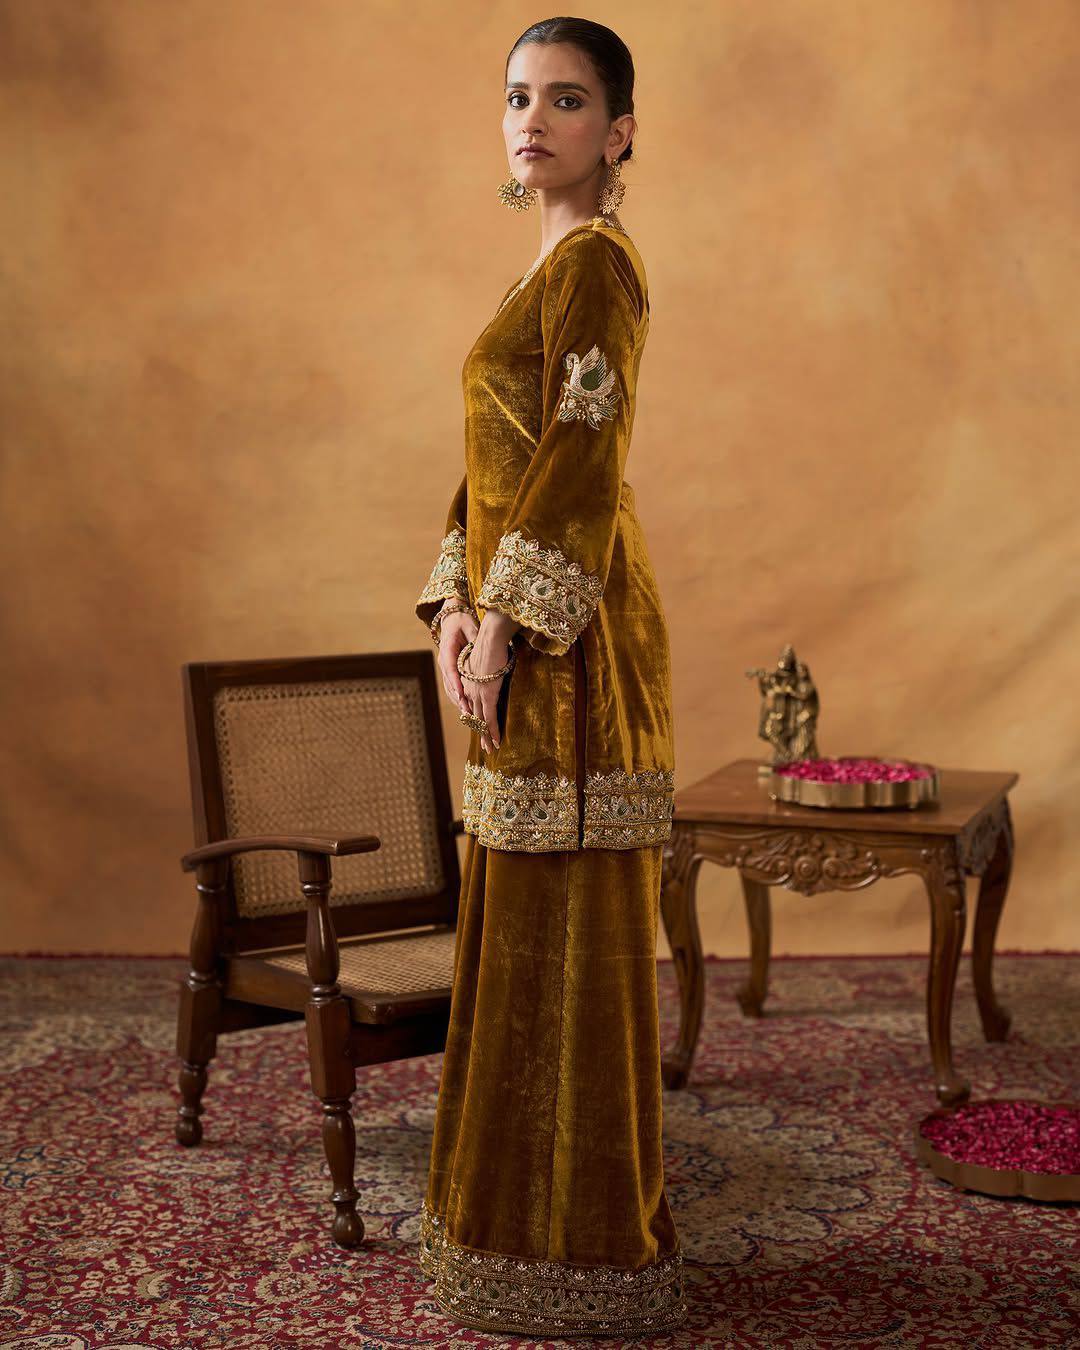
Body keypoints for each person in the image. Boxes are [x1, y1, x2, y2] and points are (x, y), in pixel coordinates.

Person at [413, 17, 688, 1338]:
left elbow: (583, 453)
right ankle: (508, 1232)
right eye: (519, 96)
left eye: (567, 100)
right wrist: (450, 606)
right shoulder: (543, 267)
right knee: (517, 928)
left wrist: (510, 624)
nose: (534, 119)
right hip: (520, 631)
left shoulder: (600, 270)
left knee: (566, 936)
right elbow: (493, 464)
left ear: (619, 132)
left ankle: (584, 1247)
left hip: (578, 656)